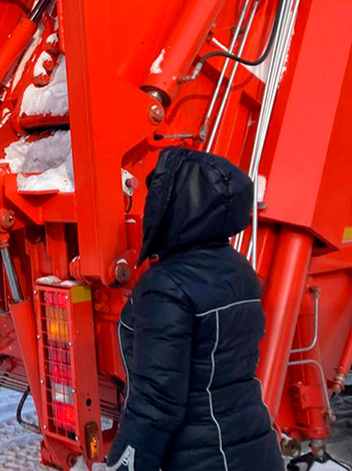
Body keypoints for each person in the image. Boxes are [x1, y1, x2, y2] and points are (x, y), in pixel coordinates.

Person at [106, 148, 282, 471]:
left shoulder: (166, 286)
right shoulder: (240, 270)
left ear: (178, 204)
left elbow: (157, 402)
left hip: (204, 460)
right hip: (256, 452)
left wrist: (125, 462)